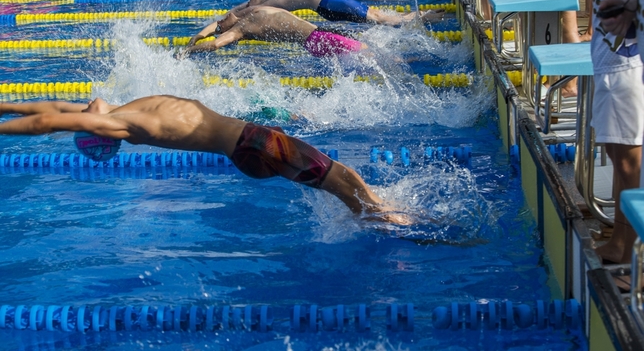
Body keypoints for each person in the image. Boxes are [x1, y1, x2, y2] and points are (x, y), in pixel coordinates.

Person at [0, 96, 399, 219]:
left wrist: (4, 105)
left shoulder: (118, 111)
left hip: (252, 143)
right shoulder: (121, 124)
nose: (85, 106)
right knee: (348, 184)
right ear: (94, 131)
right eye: (83, 119)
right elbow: (48, 122)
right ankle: (405, 227)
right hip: (252, 146)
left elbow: (49, 104)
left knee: (347, 187)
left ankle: (384, 216)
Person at [566, 0, 643, 267]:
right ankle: (619, 239)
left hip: (623, 63)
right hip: (610, 57)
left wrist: (626, 11)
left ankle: (630, 252)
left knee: (628, 162)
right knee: (617, 156)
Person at [183, 5, 367, 57]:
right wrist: (188, 51)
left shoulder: (250, 11)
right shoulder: (240, 28)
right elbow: (216, 43)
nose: (221, 19)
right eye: (220, 24)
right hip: (317, 39)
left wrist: (196, 36)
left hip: (321, 33)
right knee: (368, 54)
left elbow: (214, 28)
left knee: (367, 49)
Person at [229, 0, 445, 25]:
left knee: (379, 18)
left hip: (329, 6)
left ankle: (421, 17)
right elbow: (247, 11)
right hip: (331, 4)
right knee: (381, 19)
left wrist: (232, 15)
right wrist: (229, 19)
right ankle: (423, 17)